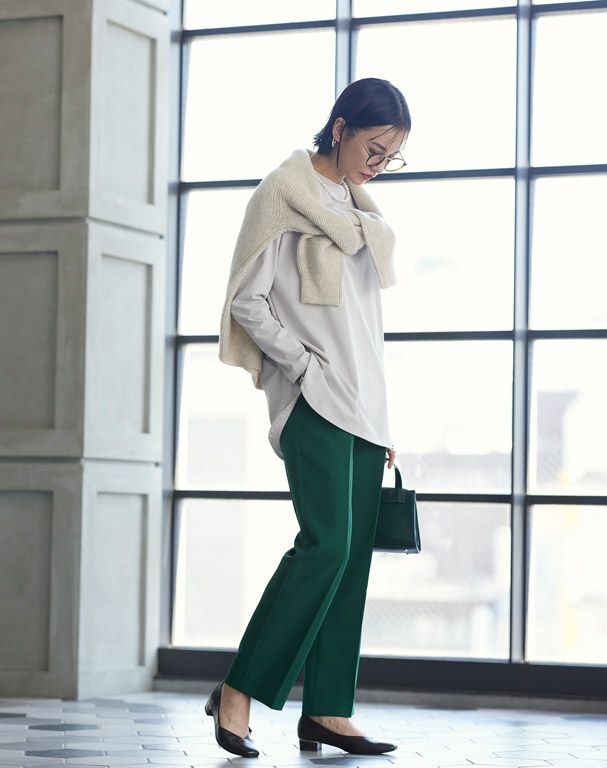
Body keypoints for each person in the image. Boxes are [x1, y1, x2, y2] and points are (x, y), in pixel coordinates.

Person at [208, 77, 411, 758]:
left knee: (349, 562)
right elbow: (248, 300)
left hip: (362, 405)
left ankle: (327, 710)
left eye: (390, 157)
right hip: (313, 400)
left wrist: (380, 418)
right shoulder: (283, 195)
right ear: (341, 126)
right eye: (374, 148)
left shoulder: (359, 213)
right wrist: (303, 367)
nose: (378, 164)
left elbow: (363, 329)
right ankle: (239, 688)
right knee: (325, 545)